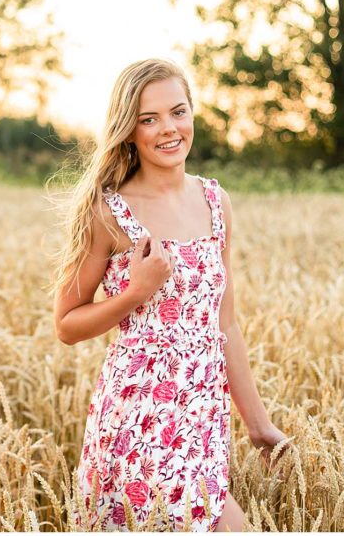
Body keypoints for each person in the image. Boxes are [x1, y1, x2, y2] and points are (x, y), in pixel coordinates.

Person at [49, 58, 289, 532]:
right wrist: (136, 292)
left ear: (192, 114)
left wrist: (258, 426)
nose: (168, 129)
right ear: (129, 130)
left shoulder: (214, 202)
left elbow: (225, 325)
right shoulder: (109, 210)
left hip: (203, 421)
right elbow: (66, 324)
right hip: (138, 423)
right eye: (148, 119)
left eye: (178, 112)